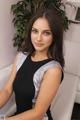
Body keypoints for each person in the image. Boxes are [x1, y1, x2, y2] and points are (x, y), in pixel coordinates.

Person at [0, 7, 64, 120]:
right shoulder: (21, 56)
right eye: (35, 31)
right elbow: (7, 90)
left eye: (46, 33)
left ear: (54, 36)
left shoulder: (53, 70)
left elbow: (38, 113)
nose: (38, 38)